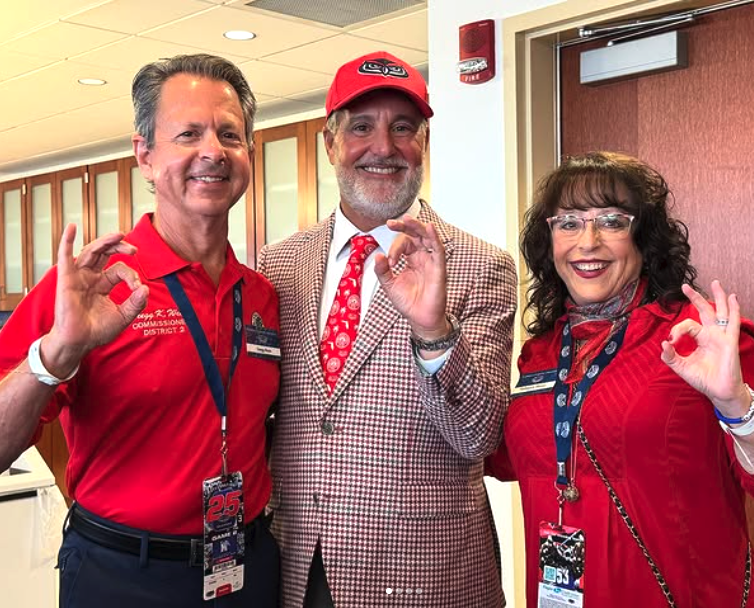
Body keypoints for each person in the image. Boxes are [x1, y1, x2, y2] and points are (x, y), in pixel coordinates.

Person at [0, 54, 281, 608]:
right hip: (125, 574)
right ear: (145, 155)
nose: (213, 151)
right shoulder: (90, 286)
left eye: (229, 134)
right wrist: (55, 354)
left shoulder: (262, 296)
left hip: (246, 566)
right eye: (188, 134)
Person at [257, 51, 517, 608]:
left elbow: (479, 437)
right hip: (295, 562)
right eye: (361, 128)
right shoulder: (278, 265)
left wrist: (434, 332)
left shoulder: (479, 265)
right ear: (330, 144)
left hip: (425, 572)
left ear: (424, 144)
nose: (383, 147)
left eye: (403, 128)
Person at [487, 151, 754, 607]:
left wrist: (735, 403)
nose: (588, 242)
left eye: (612, 221)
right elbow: (501, 458)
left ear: (644, 237)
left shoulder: (698, 339)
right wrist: (432, 342)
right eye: (569, 223)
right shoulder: (541, 353)